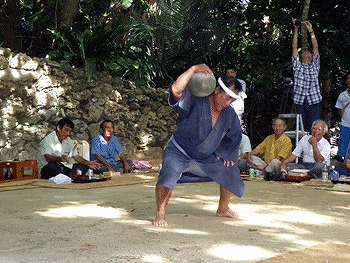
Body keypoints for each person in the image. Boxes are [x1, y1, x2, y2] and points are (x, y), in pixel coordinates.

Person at [153, 64, 245, 227]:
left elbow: (234, 136)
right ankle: (160, 213)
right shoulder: (197, 98)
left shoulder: (229, 113)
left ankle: (223, 209)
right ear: (216, 90)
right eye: (227, 97)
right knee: (169, 171)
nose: (228, 103)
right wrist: (194, 69)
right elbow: (176, 91)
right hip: (179, 151)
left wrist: (226, 155)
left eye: (232, 99)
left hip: (205, 158)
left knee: (230, 169)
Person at [292, 19, 321, 133]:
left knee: (314, 127)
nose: (307, 52)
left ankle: (314, 148)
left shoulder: (315, 65)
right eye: (304, 52)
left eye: (309, 52)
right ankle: (302, 149)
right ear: (301, 56)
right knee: (301, 128)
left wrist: (311, 31)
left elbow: (316, 48)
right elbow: (294, 48)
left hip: (313, 100)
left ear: (312, 57)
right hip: (299, 100)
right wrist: (296, 29)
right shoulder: (297, 66)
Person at [335, 71, 350, 159]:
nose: (349, 80)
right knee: (343, 147)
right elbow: (339, 110)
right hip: (345, 125)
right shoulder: (342, 95)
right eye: (348, 78)